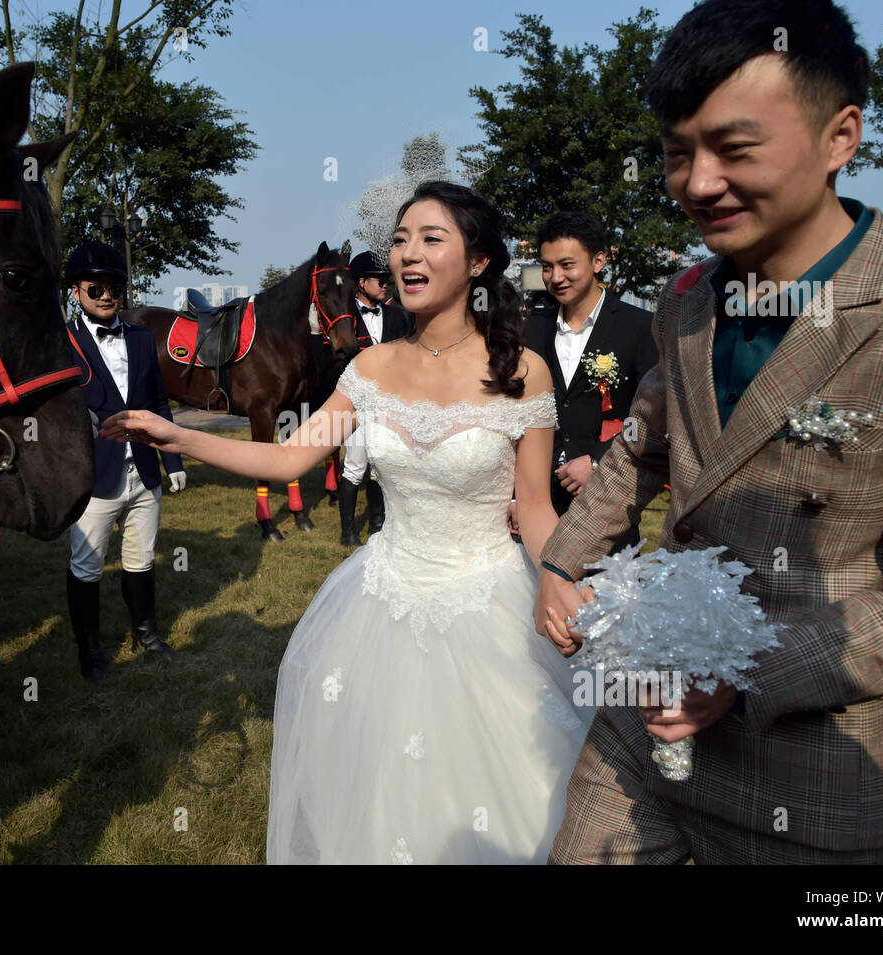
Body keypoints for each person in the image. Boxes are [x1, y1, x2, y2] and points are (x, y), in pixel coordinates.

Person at [537, 0, 883, 864]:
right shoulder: (686, 299)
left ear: (839, 137)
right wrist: (564, 556)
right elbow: (645, 444)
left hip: (811, 775)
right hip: (639, 724)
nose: (698, 183)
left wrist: (746, 673)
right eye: (677, 153)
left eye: (735, 149)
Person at [108, 181, 592, 864]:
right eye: (400, 240)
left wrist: (558, 576)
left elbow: (537, 509)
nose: (407, 255)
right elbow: (287, 459)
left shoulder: (523, 372)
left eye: (430, 238)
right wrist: (178, 437)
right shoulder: (367, 367)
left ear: (479, 262)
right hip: (380, 609)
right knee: (376, 803)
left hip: (492, 610)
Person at [64, 241, 186, 680]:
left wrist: (173, 462)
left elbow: (158, 402)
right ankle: (90, 652)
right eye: (94, 287)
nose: (105, 295)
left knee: (142, 558)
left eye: (114, 286)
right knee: (86, 565)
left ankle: (146, 635)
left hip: (144, 473)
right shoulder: (63, 343)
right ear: (76, 291)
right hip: (94, 476)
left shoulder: (140, 337)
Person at [518, 212, 657, 552]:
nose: (556, 277)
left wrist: (597, 459)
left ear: (598, 260)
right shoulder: (531, 329)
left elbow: (654, 414)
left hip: (607, 498)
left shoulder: (640, 327)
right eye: (547, 267)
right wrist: (513, 497)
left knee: (603, 601)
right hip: (538, 503)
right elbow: (513, 415)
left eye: (567, 265)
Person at [336, 250, 413, 546]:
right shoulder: (346, 317)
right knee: (355, 465)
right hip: (357, 402)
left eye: (386, 279)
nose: (385, 285)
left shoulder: (398, 315)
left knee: (381, 466)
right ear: (361, 282)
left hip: (391, 403)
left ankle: (378, 524)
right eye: (379, 280)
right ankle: (347, 531)